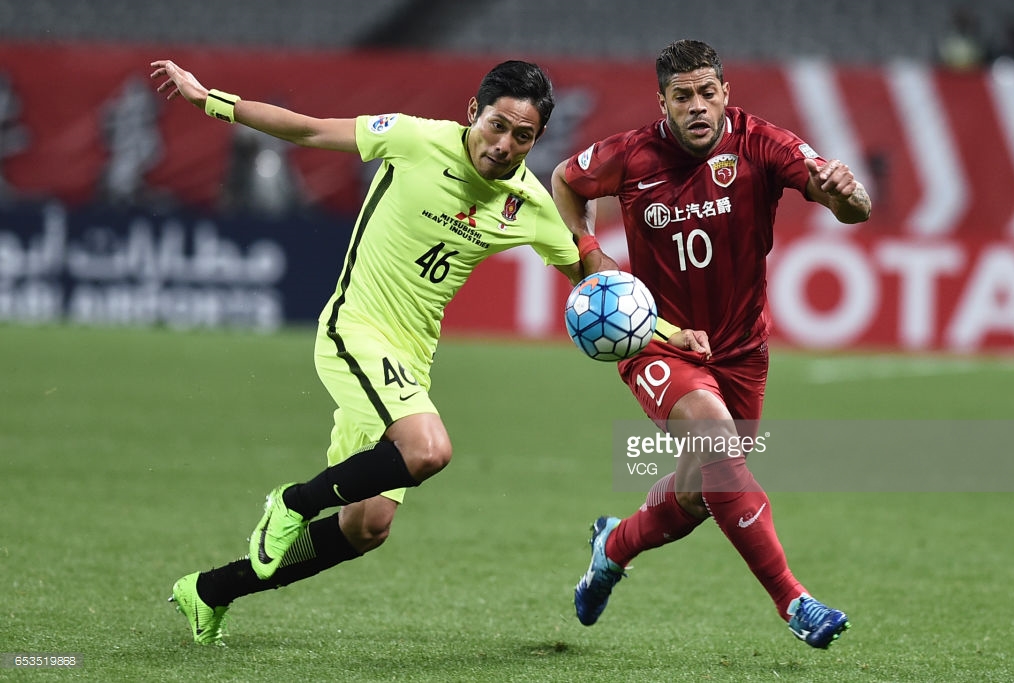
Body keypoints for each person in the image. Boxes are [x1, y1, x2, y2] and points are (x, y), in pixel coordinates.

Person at [150, 57, 587, 644]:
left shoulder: (528, 204)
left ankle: (208, 592)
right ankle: (292, 503)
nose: (504, 144)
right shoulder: (412, 138)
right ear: (472, 114)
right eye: (496, 125)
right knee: (429, 448)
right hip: (354, 331)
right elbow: (307, 129)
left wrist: (670, 332)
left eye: (522, 136)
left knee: (366, 526)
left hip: (411, 362)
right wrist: (211, 100)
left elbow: (594, 281)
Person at [551, 39, 871, 649]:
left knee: (700, 492)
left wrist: (846, 194)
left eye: (707, 93)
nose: (697, 106)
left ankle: (612, 547)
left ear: (725, 92)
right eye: (682, 96)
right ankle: (794, 601)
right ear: (663, 102)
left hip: (741, 347)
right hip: (657, 345)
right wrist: (593, 264)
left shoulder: (761, 143)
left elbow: (851, 208)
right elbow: (565, 182)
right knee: (720, 447)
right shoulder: (630, 153)